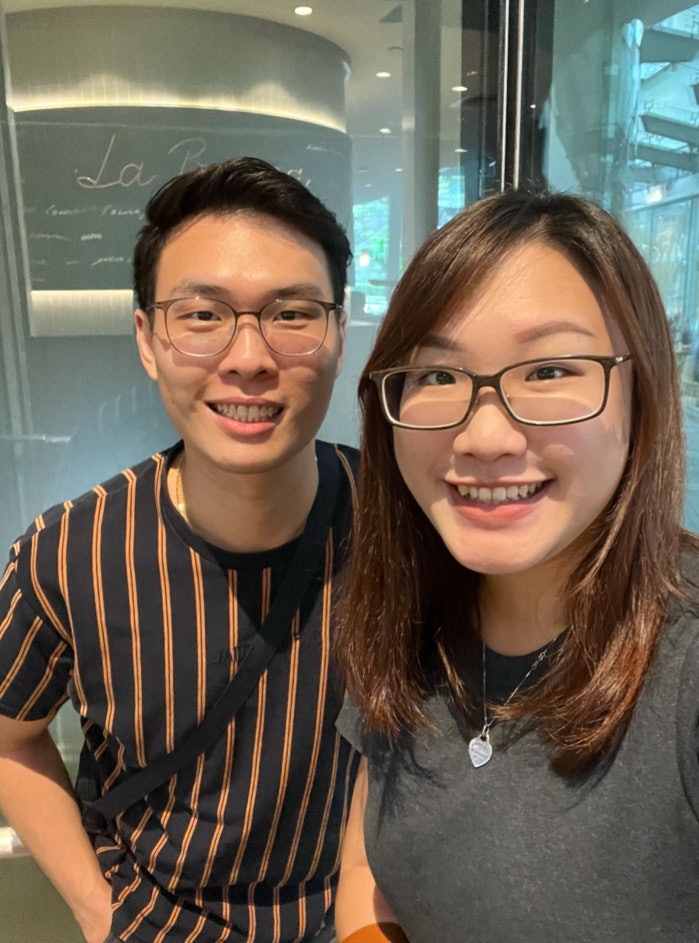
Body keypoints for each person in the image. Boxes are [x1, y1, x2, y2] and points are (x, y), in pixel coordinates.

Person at [0, 156, 360, 943]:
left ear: (338, 332)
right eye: (202, 315)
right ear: (148, 339)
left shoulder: (402, 531)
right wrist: (102, 914)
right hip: (155, 922)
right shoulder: (68, 552)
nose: (248, 357)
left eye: (291, 313)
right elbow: (7, 737)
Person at [333, 189, 699, 943]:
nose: (484, 436)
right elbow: (372, 866)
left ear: (642, 393)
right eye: (437, 375)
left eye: (550, 369)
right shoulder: (407, 612)